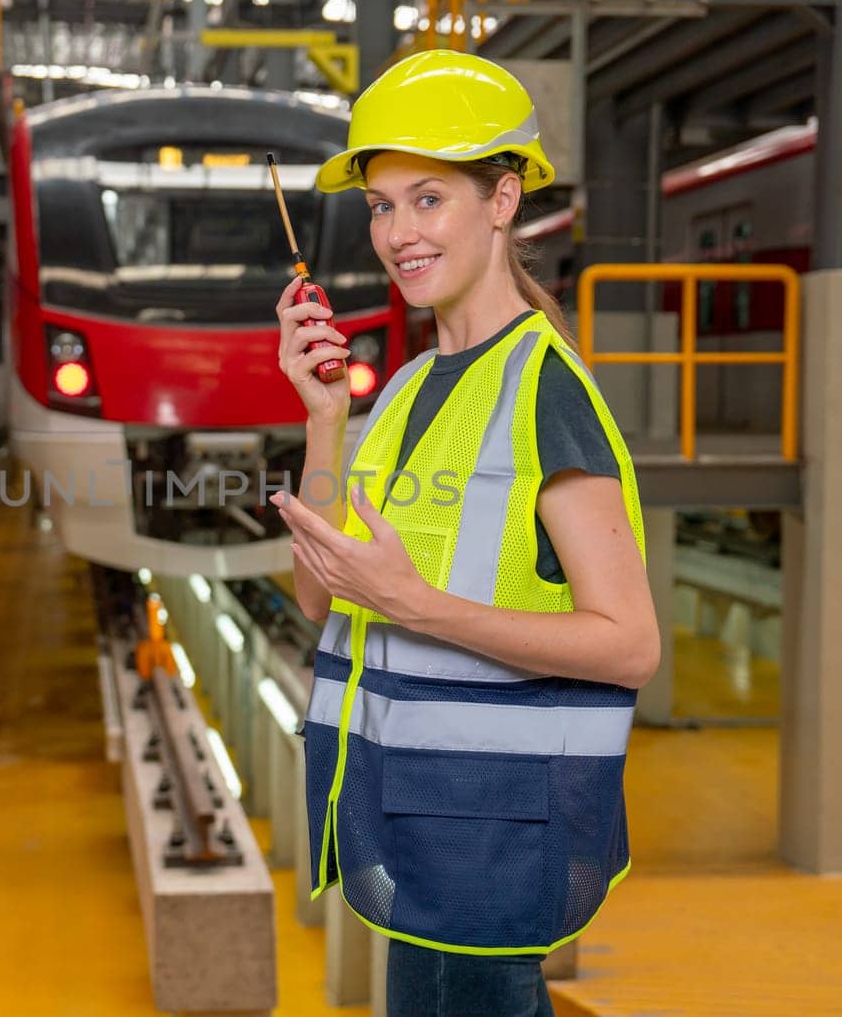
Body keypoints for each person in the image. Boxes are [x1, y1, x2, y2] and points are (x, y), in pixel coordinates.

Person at [270, 50, 660, 1016]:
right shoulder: (406, 388)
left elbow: (630, 644)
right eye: (381, 205)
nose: (397, 233)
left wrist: (419, 606)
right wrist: (323, 418)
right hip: (415, 834)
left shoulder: (544, 390)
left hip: (494, 843)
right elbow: (317, 596)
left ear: (503, 200)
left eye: (429, 199)